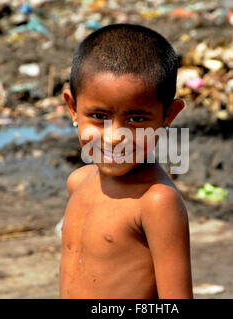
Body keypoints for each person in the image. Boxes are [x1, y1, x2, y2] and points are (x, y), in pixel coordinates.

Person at [60, 24, 192, 299]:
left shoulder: (156, 202)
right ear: (73, 108)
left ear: (169, 115)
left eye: (137, 120)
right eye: (98, 116)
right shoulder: (78, 181)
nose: (115, 137)